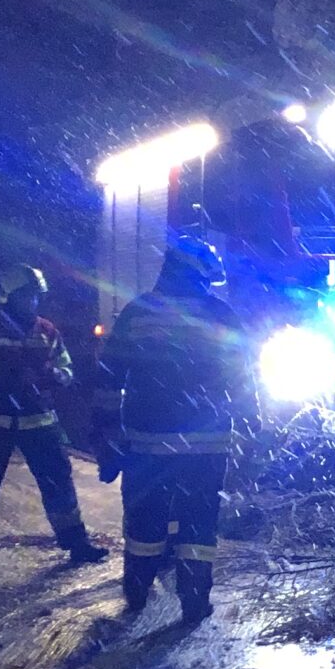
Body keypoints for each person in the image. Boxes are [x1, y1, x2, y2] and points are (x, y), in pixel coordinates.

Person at [93, 236, 252, 621]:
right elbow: (241, 378)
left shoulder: (139, 311)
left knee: (145, 519)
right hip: (207, 443)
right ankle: (194, 600)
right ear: (200, 273)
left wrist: (107, 431)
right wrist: (253, 424)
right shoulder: (220, 314)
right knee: (199, 523)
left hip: (148, 442)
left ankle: (137, 590)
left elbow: (109, 376)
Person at [0, 266, 106, 575]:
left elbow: (66, 369)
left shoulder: (46, 330)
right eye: (26, 296)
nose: (32, 302)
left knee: (58, 482)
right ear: (10, 296)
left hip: (39, 419)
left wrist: (51, 376)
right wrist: (5, 377)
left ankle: (76, 544)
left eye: (36, 296)